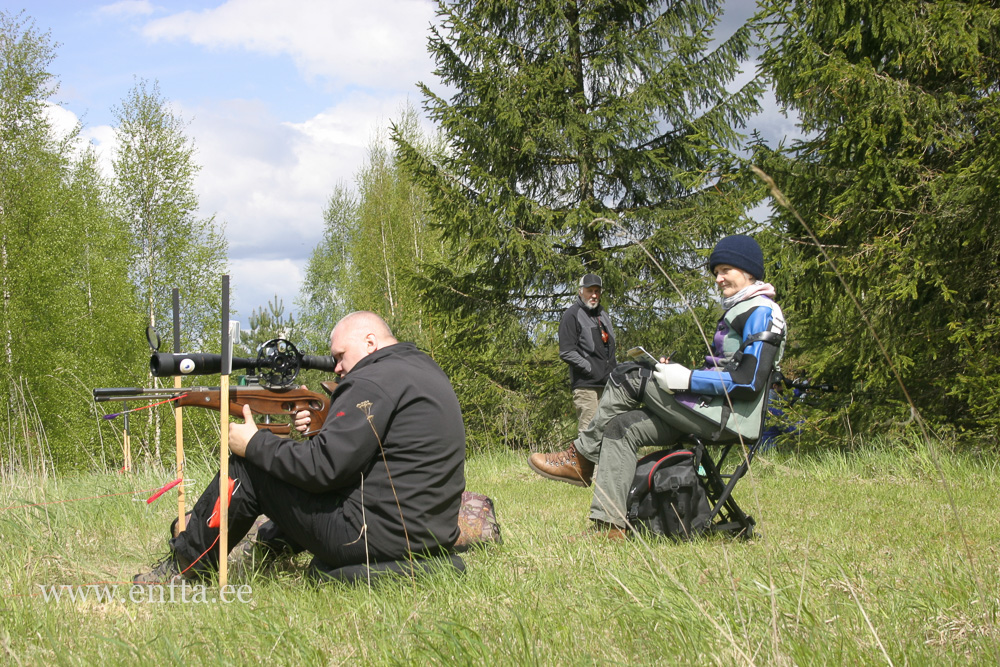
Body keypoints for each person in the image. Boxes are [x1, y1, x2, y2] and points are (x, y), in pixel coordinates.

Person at [135, 311, 467, 582]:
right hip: (426, 536)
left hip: (372, 538)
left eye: (340, 356)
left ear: (370, 343)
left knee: (249, 466)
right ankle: (267, 550)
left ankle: (184, 568)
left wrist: (254, 444)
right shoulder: (424, 371)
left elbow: (323, 469)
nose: (337, 368)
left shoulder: (371, 380)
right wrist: (319, 435)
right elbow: (372, 460)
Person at [528, 235, 786, 539]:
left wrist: (686, 380)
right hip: (706, 410)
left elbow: (748, 381)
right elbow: (725, 369)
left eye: (725, 270)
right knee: (621, 428)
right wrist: (677, 374)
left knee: (629, 375)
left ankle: (581, 458)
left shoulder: (762, 312)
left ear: (749, 270)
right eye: (715, 272)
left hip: (728, 419)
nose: (718, 279)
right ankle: (609, 528)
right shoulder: (742, 307)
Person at [559, 273, 617, 432]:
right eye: (589, 290)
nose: (594, 295)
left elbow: (609, 349)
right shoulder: (572, 315)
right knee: (589, 432)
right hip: (586, 386)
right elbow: (566, 351)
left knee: (609, 430)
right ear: (580, 291)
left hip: (607, 385)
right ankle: (582, 458)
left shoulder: (603, 315)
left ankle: (606, 458)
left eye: (597, 291)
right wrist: (590, 369)